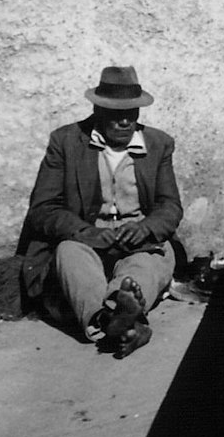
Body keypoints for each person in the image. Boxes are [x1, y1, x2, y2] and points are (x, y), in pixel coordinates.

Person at [22, 66, 183, 358]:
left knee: (150, 261)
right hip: (86, 240)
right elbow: (43, 209)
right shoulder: (66, 142)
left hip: (138, 240)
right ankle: (125, 323)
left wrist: (145, 228)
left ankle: (119, 314)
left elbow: (169, 206)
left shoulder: (159, 144)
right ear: (98, 109)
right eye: (114, 113)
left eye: (131, 112)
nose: (124, 121)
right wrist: (89, 234)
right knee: (68, 253)